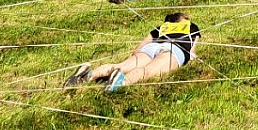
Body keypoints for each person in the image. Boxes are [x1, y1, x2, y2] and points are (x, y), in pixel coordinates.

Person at [63, 11, 201, 92]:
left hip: (150, 48)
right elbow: (192, 50)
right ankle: (121, 82)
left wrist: (137, 55)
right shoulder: (192, 27)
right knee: (147, 71)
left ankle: (88, 75)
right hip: (174, 49)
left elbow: (141, 45)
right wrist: (191, 56)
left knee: (121, 65)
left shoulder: (161, 28)